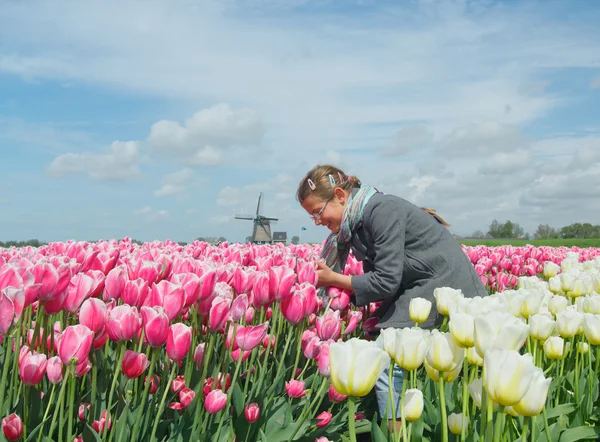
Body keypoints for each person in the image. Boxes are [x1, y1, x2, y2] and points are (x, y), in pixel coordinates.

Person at [296, 164, 488, 429]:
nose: (318, 222)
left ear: (340, 195)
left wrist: (333, 279)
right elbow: (380, 278)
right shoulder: (355, 225)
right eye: (312, 217)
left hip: (446, 285)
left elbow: (386, 280)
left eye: (318, 212)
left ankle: (396, 432)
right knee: (381, 337)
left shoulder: (382, 210)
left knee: (387, 356)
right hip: (417, 286)